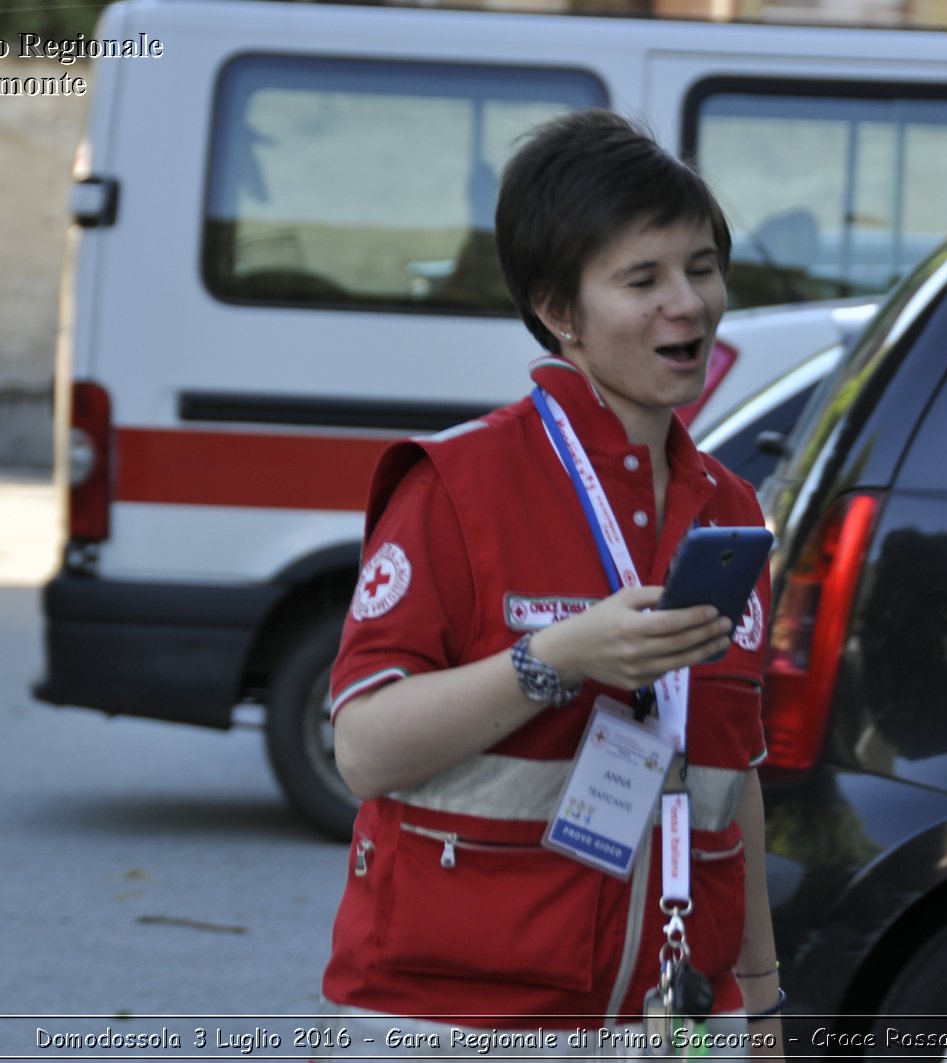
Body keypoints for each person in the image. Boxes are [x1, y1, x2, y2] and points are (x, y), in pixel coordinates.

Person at [317, 109, 783, 1059]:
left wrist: (763, 1005)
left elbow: (736, 776)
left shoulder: (731, 509)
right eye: (642, 279)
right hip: (451, 1021)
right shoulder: (456, 486)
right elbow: (362, 748)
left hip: (681, 1022)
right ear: (559, 310)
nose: (687, 304)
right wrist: (555, 658)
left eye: (701, 267)